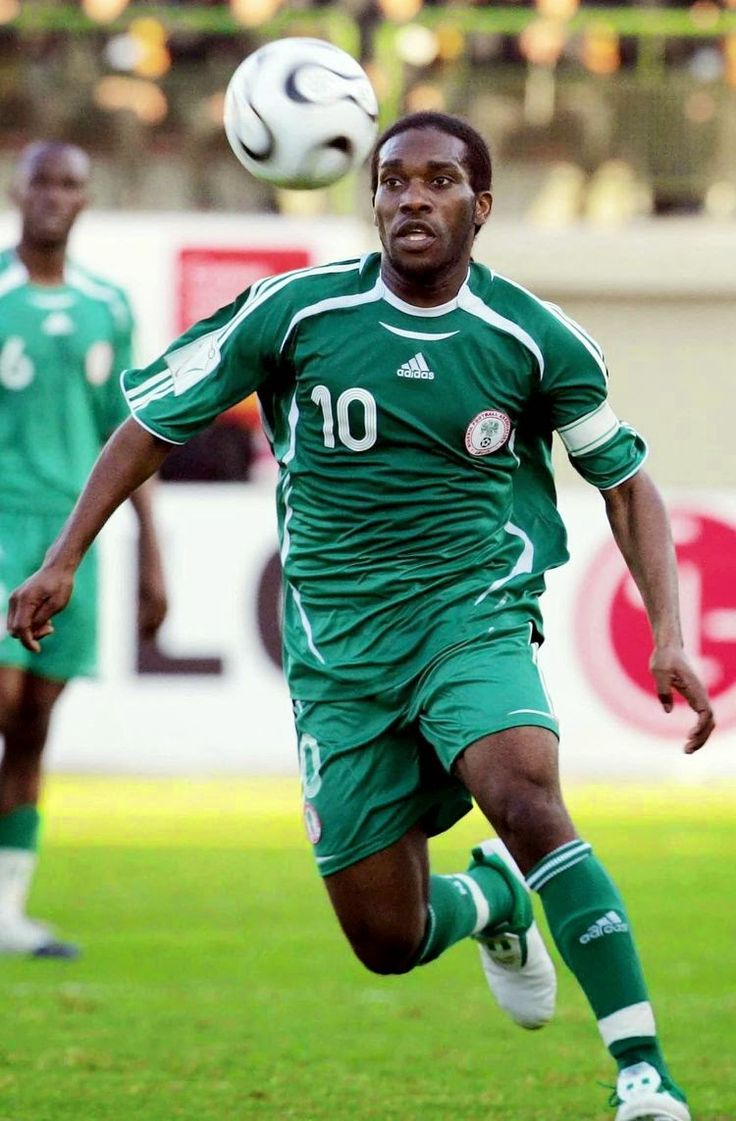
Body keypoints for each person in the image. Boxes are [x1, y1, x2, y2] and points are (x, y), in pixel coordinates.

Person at [6, 113, 713, 1118]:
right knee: (387, 937)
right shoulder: (297, 312)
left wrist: (669, 632)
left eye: (438, 181)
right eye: (392, 181)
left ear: (482, 205)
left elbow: (626, 482)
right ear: (371, 197)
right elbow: (150, 426)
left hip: (471, 614)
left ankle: (641, 1070)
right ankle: (489, 899)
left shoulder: (533, 336)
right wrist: (64, 556)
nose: (411, 197)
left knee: (524, 791)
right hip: (339, 656)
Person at [0, 141, 167, 958]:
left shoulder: (110, 305)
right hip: (2, 523)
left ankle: (8, 913)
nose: (53, 197)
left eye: (69, 184)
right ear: (18, 190)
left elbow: (129, 433)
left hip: (73, 537)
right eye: (41, 182)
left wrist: (152, 553)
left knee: (33, 723)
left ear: (85, 199)